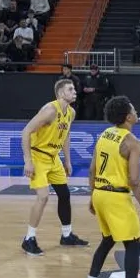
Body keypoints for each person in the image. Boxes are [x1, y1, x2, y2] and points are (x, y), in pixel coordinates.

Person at [77, 96, 140, 278]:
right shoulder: (133, 143)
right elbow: (134, 181)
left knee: (108, 239)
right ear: (128, 117)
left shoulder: (104, 134)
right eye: (134, 109)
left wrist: (92, 196)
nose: (136, 111)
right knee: (133, 245)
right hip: (116, 197)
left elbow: (92, 169)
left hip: (100, 193)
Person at [19, 79, 89, 256]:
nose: (74, 91)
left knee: (64, 194)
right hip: (38, 156)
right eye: (70, 89)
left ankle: (67, 235)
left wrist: (67, 160)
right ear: (60, 93)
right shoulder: (50, 110)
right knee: (43, 197)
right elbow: (26, 131)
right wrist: (28, 161)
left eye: (74, 89)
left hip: (54, 157)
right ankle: (29, 239)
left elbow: (66, 135)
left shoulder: (71, 112)